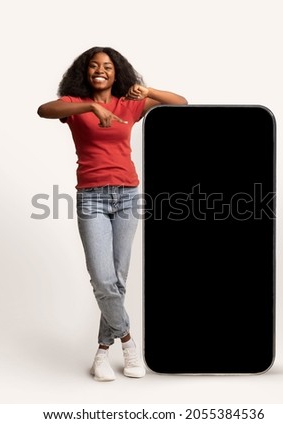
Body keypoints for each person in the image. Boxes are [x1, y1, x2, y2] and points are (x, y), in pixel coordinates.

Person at [37, 46, 187, 381]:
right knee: (103, 279)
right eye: (93, 66)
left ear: (117, 72)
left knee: (117, 280)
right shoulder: (74, 105)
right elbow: (43, 110)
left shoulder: (128, 105)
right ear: (85, 72)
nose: (100, 70)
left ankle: (102, 353)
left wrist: (148, 91)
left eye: (107, 66)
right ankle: (129, 344)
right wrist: (91, 105)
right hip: (91, 197)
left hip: (128, 195)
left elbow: (181, 104)